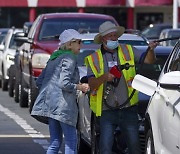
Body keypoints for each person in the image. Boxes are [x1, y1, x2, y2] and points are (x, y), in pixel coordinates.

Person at [85, 21, 158, 154]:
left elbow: (149, 61)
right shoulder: (93, 58)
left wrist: (151, 50)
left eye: (115, 35)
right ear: (102, 39)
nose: (114, 38)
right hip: (106, 110)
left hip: (128, 108)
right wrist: (104, 78)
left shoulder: (128, 50)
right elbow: (91, 84)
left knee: (134, 147)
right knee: (105, 148)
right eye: (110, 36)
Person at [31, 29, 89, 154]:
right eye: (78, 42)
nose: (81, 45)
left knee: (55, 142)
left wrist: (52, 92)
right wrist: (80, 87)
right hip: (64, 107)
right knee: (71, 143)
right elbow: (64, 83)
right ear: (70, 44)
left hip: (51, 106)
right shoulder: (70, 58)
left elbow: (40, 81)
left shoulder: (54, 57)